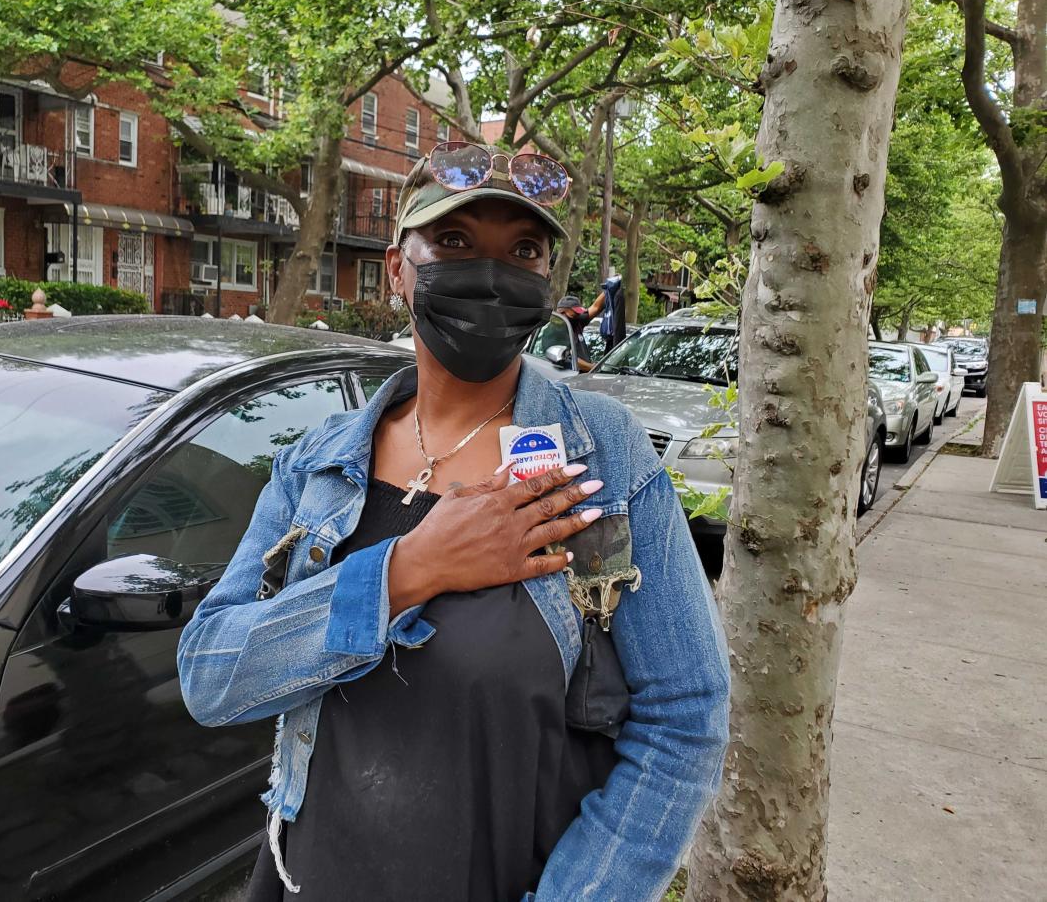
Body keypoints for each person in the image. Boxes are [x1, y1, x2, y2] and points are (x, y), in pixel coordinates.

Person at [177, 142, 729, 902]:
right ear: (397, 267)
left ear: (547, 279)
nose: (489, 273)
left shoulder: (604, 455)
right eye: (455, 242)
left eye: (523, 249)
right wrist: (409, 572)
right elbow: (213, 677)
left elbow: (684, 719)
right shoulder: (315, 466)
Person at [556, 292, 605, 372]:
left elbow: (596, 307)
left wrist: (607, 290)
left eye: (579, 314)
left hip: (585, 375)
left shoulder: (577, 321)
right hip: (570, 378)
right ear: (561, 313)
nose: (578, 317)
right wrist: (593, 368)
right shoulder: (555, 333)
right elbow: (569, 359)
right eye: (574, 315)